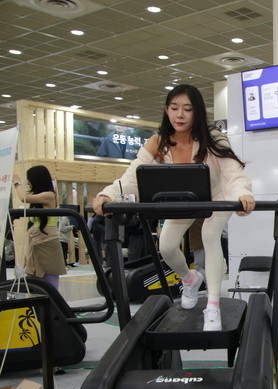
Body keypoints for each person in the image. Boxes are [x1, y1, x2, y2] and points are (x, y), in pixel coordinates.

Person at [92, 84, 255, 331]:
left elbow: (233, 171)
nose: (180, 115)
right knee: (166, 247)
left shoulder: (213, 138)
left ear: (197, 112)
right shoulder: (159, 142)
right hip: (184, 196)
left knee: (210, 235)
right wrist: (108, 194)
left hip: (216, 195)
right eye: (174, 108)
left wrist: (243, 194)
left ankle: (212, 305)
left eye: (187, 109)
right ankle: (190, 279)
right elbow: (133, 176)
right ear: (166, 110)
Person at [12, 165, 67, 289]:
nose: (28, 183)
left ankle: (52, 301)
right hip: (36, 241)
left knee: (50, 281)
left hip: (47, 242)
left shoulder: (49, 195)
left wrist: (17, 182)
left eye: (29, 180)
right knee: (36, 283)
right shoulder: (40, 198)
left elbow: (23, 198)